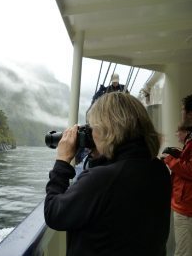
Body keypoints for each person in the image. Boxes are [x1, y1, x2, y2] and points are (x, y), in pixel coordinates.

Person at [44, 92, 171, 256]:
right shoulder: (158, 169)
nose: (92, 134)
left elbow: (54, 214)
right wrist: (100, 154)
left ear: (106, 130)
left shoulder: (101, 180)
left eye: (93, 128)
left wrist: (62, 161)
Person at [163, 94, 192, 256]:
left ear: (190, 114)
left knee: (183, 252)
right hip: (186, 205)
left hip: (187, 208)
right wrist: (179, 155)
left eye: (182, 109)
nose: (180, 113)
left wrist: (170, 160)